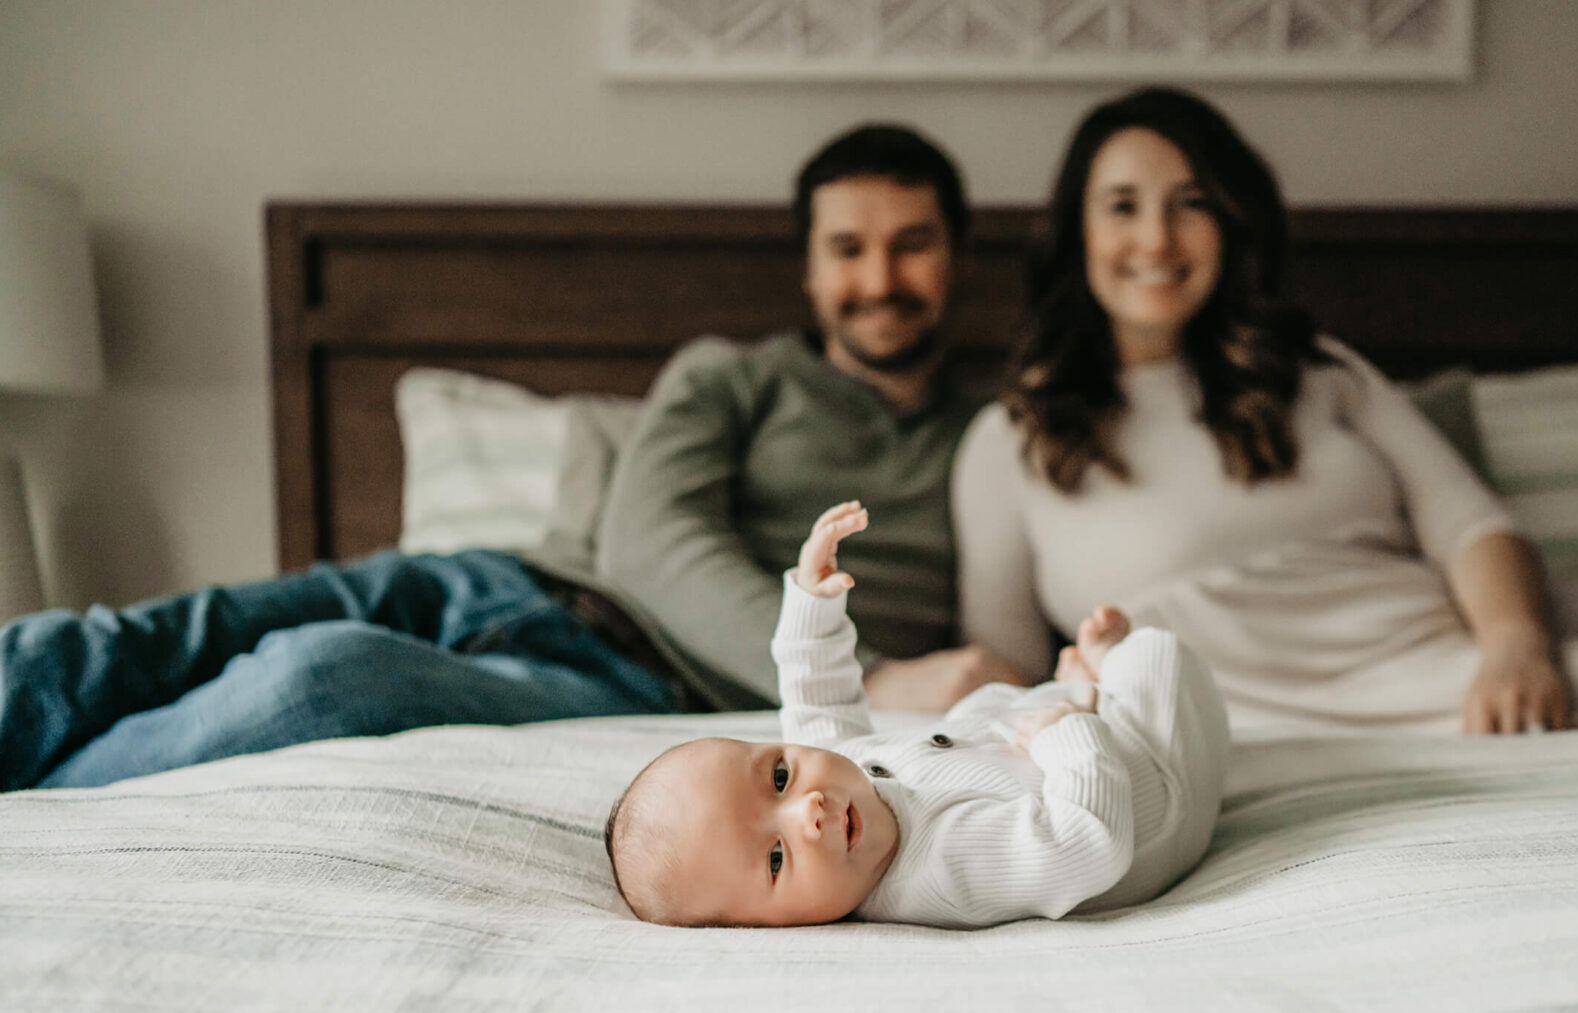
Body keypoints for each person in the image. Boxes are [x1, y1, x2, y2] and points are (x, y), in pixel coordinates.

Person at [0, 124, 1021, 791]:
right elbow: (647, 535)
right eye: (848, 248)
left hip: (633, 684)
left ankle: (41, 813)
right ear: (809, 267)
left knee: (325, 681)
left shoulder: (993, 445)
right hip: (505, 577)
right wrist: (884, 673)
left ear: (956, 255)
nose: (879, 277)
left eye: (911, 243)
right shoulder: (730, 376)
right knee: (127, 642)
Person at [954, 86, 1578, 734]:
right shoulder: (1009, 444)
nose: (1155, 237)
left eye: (1190, 202)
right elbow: (1002, 671)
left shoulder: (1321, 374)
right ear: (1077, 231)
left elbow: (1472, 526)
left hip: (1480, 664)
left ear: (1232, 224)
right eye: (1121, 206)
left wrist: (1516, 646)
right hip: (1306, 722)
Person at [605, 501, 1228, 929]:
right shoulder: (942, 871)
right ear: (769, 926)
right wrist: (1072, 738)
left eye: (777, 777)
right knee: (1157, 655)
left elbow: (815, 701)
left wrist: (812, 601)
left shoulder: (835, 785)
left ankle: (1075, 691)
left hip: (1037, 750)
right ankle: (1103, 683)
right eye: (775, 860)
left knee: (979, 711)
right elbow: (1088, 847)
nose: (807, 810)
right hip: (1151, 800)